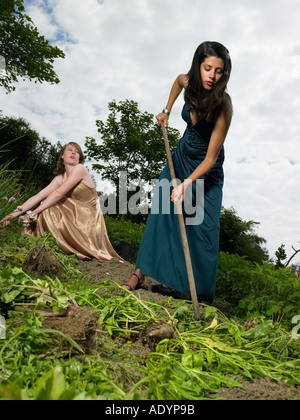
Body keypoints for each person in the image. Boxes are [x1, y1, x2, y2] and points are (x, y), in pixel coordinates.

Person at [123, 41, 232, 303]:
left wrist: (186, 185)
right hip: (181, 158)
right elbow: (177, 81)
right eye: (207, 68)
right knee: (161, 210)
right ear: (198, 66)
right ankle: (140, 272)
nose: (212, 76)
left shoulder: (223, 106)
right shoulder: (188, 82)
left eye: (219, 71)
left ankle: (198, 293)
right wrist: (166, 110)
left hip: (206, 173)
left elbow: (211, 158)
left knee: (203, 228)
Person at [0, 142, 123, 262]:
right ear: (62, 156)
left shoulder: (79, 169)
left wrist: (33, 213)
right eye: (70, 149)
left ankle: (53, 247)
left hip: (88, 218)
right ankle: (41, 247)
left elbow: (58, 194)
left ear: (79, 158)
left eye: (77, 152)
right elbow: (38, 196)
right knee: (44, 202)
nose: (73, 152)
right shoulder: (60, 178)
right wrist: (11, 215)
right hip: (73, 214)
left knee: (46, 204)